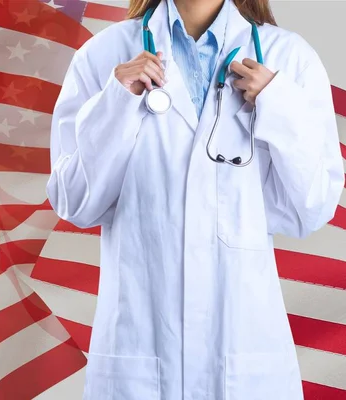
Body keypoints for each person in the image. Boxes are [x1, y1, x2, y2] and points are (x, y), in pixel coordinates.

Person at [46, 0, 345, 399]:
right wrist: (115, 101)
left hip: (243, 358)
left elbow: (312, 206)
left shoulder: (288, 59)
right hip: (139, 358)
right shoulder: (103, 57)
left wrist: (278, 104)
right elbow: (75, 202)